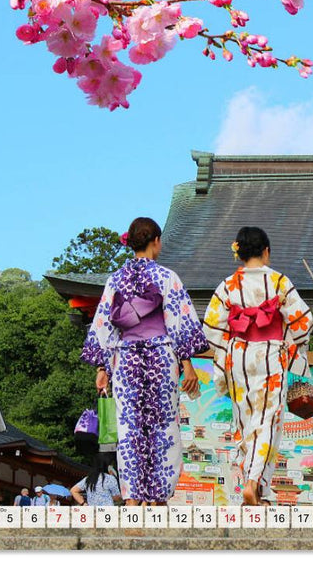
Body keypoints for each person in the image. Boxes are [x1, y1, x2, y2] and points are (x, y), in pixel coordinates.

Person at [82, 216, 208, 506]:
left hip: (125, 360)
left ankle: (132, 498)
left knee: (130, 428)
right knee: (163, 426)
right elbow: (178, 322)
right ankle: (158, 497)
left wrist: (103, 368)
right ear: (156, 241)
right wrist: (187, 364)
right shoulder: (166, 277)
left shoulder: (115, 280)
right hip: (161, 358)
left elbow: (104, 325)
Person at [202, 226, 313, 506]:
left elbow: (212, 327)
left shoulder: (227, 285)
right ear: (266, 252)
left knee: (246, 421)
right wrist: (288, 345)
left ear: (238, 252)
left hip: (238, 357)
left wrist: (225, 355)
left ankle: (255, 488)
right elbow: (303, 322)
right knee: (268, 421)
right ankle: (253, 484)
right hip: (270, 355)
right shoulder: (277, 282)